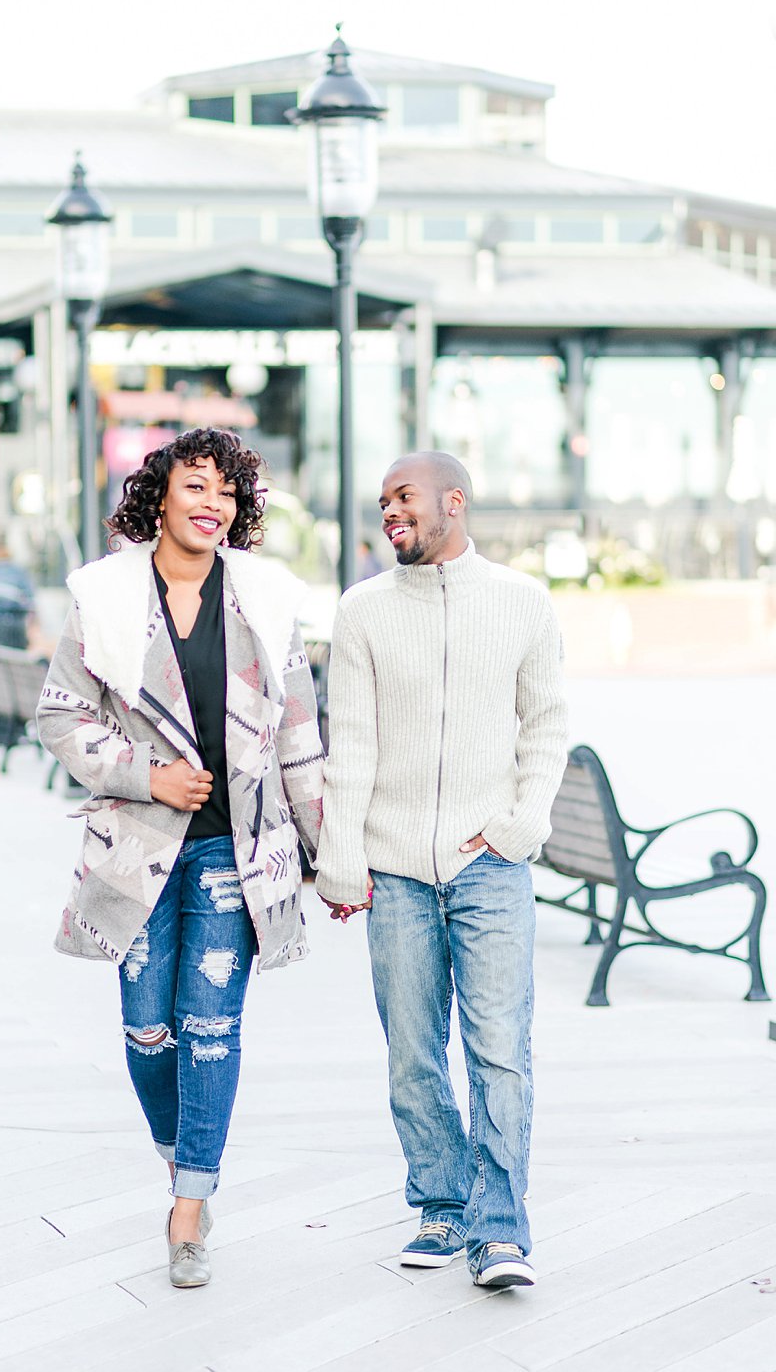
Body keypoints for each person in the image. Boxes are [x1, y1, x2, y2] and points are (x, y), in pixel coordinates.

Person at [36, 427, 324, 1290]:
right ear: (158, 494)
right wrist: (144, 774)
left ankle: (190, 1207)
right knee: (148, 1031)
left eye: (227, 492)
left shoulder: (267, 605)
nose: (212, 504)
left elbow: (301, 738)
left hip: (237, 856)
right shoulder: (107, 599)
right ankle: (180, 1159)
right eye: (196, 485)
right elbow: (59, 715)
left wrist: (329, 855)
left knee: (210, 1029)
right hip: (136, 856)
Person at [314, 451, 566, 1292]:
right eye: (383, 500)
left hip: (491, 864)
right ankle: (441, 1204)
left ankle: (500, 1230)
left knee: (500, 1052)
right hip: (396, 873)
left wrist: (520, 824)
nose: (391, 511)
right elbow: (348, 740)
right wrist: (342, 856)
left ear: (453, 503)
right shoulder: (364, 611)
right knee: (413, 1053)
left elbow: (547, 723)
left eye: (405, 497)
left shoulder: (524, 602)